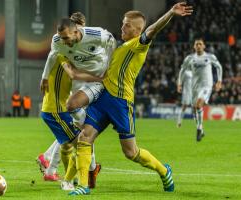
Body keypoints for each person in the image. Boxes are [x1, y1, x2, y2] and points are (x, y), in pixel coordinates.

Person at [67, 2, 193, 196]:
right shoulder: (122, 46)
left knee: (131, 152)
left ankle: (163, 170)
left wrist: (170, 13)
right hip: (104, 98)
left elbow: (152, 29)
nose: (122, 27)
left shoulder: (138, 45)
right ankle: (83, 185)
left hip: (121, 103)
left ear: (137, 30)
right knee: (85, 138)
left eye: (127, 25)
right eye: (123, 23)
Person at [37, 12, 102, 187]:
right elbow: (73, 73)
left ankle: (51, 167)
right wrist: (100, 78)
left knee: (71, 140)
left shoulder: (68, 51)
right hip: (56, 109)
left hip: (60, 108)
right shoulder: (64, 52)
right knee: (83, 140)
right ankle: (82, 175)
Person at [177, 38, 222, 141]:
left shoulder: (209, 57)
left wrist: (219, 81)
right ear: (194, 47)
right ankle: (201, 130)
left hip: (206, 86)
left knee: (198, 104)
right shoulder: (190, 58)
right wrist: (179, 83)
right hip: (194, 87)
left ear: (204, 46)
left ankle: (199, 128)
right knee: (194, 109)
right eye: (196, 44)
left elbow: (219, 67)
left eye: (200, 44)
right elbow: (182, 70)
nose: (198, 46)